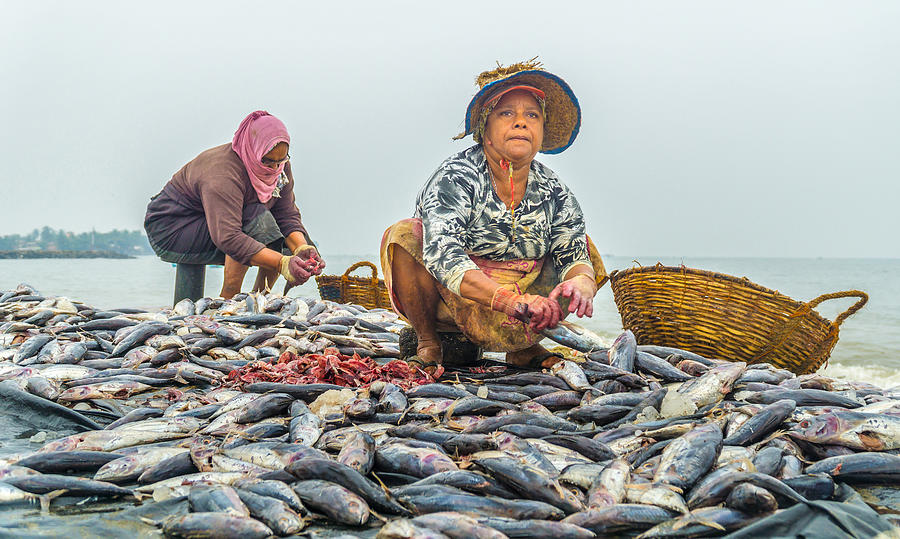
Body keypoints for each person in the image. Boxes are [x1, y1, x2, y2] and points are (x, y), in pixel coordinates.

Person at [380, 60, 608, 372]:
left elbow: (574, 254)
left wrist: (581, 282)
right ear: (485, 130)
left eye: (532, 115)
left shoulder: (556, 191)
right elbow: (445, 256)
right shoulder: (456, 177)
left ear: (541, 131)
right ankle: (428, 343)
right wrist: (509, 301)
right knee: (404, 235)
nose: (521, 123)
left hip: (531, 308)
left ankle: (525, 348)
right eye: (506, 114)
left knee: (586, 248)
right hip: (463, 301)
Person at [144, 110, 324, 298]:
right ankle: (229, 297)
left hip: (221, 225)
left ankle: (262, 298)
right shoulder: (222, 174)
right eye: (268, 162)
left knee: (293, 245)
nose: (273, 169)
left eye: (280, 161)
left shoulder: (280, 166)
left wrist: (302, 249)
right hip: (174, 228)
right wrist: (282, 264)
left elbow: (286, 215)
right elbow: (229, 236)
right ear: (254, 149)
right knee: (256, 219)